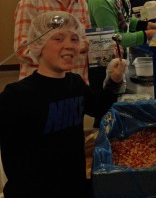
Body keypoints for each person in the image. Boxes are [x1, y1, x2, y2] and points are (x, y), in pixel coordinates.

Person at [0, 11, 128, 198]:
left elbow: (98, 107)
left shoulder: (74, 83)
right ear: (38, 45)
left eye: (75, 39)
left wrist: (114, 81)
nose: (69, 45)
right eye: (58, 38)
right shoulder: (17, 95)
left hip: (73, 186)